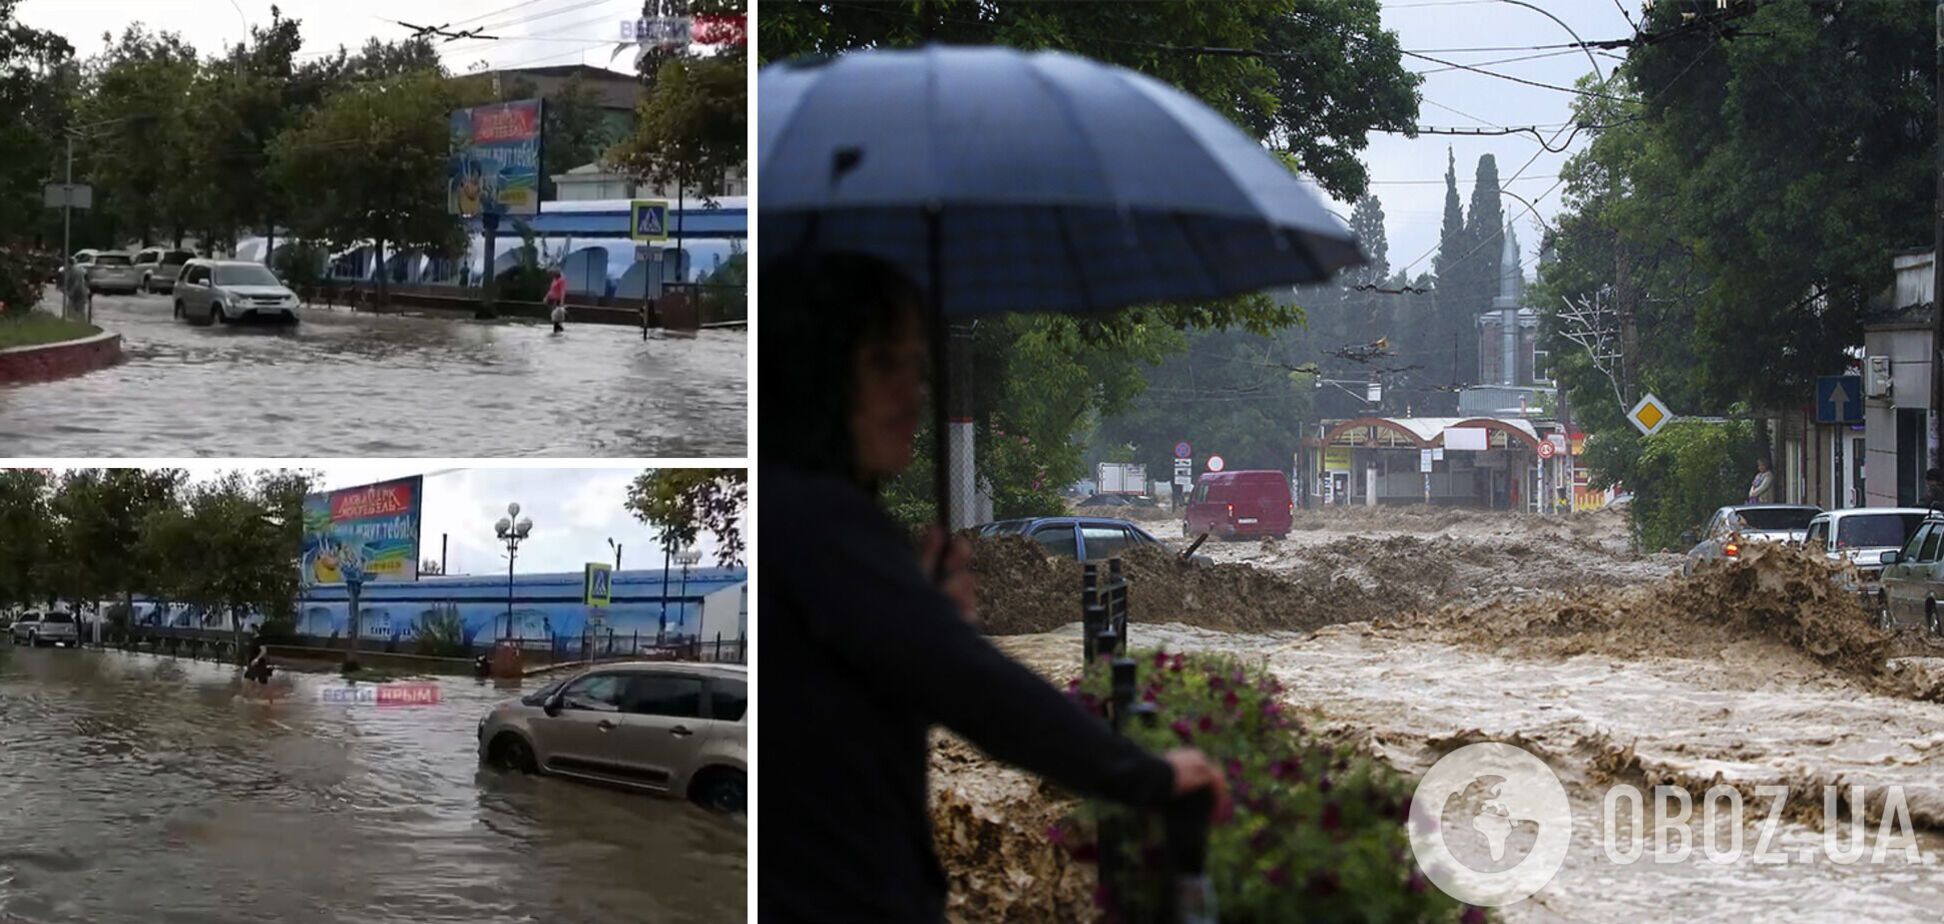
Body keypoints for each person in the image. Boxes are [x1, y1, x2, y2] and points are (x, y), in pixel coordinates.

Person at [761, 253, 1229, 922]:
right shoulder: (823, 522)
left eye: (916, 367)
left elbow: (849, 709)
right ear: (816, 375)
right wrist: (1149, 776)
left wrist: (918, 610)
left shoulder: (803, 519)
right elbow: (982, 693)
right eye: (882, 365)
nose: (912, 393)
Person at [544, 269, 568, 333]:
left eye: (553, 273)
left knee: (556, 317)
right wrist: (546, 297)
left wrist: (562, 302)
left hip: (557, 301)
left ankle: (558, 330)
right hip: (552, 300)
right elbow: (551, 290)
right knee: (554, 317)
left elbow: (563, 291)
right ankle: (558, 329)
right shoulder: (554, 280)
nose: (552, 274)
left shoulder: (561, 280)